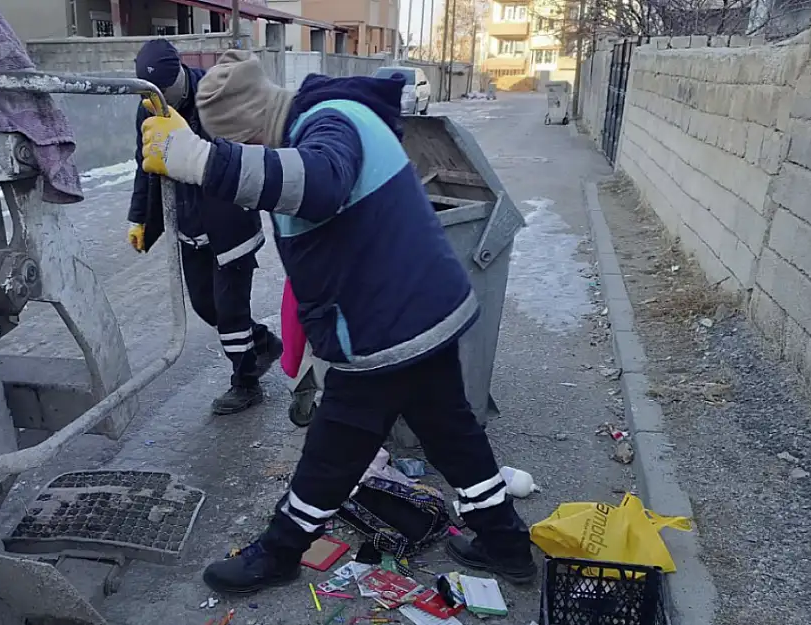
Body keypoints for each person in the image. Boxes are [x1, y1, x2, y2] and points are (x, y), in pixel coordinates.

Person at [138, 50, 536, 594]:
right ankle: (507, 544)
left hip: (387, 327)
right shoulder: (331, 116)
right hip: (422, 312)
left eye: (243, 148)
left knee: (333, 450)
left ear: (254, 128)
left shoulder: (328, 125)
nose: (249, 160)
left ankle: (280, 551)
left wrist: (202, 161)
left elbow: (319, 184)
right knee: (455, 438)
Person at [128, 40, 282, 415]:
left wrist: (190, 143)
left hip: (230, 225)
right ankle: (262, 343)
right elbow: (144, 165)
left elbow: (239, 155)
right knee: (205, 307)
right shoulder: (147, 108)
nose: (158, 99)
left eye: (165, 91)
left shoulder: (215, 96)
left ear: (180, 74)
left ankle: (245, 384)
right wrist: (140, 218)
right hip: (189, 226)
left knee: (230, 312)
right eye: (151, 93)